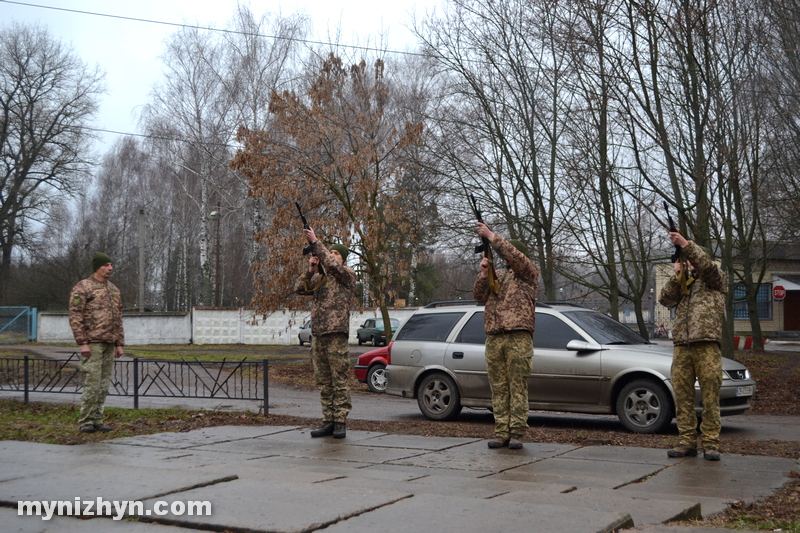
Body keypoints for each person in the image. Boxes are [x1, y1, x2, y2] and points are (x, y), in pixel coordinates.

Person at [659, 232, 727, 461]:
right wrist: (675, 275)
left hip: (706, 344)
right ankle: (686, 441)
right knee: (683, 396)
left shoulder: (715, 279)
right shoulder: (684, 283)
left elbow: (706, 266)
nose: (686, 263)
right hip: (682, 346)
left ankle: (711, 443)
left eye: (688, 259)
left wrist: (686, 245)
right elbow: (666, 300)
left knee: (709, 396)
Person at [473, 222, 539, 449]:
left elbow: (515, 258)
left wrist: (491, 236)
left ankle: (517, 432)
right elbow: (479, 297)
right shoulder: (498, 275)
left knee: (516, 385)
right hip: (495, 337)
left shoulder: (528, 274)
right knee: (499, 387)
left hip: (518, 337)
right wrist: (483, 273)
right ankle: (501, 431)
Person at [295, 227, 357, 439]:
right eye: (329, 252)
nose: (330, 255)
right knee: (323, 380)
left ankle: (340, 421)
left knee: (338, 378)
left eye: (336, 253)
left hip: (336, 334)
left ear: (343, 259)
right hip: (319, 334)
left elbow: (333, 266)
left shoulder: (346, 275)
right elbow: (300, 288)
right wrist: (311, 269)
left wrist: (316, 243)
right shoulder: (322, 278)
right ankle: (328, 420)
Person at [68, 252, 125, 433]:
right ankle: (86, 421)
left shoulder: (114, 290)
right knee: (92, 383)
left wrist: (119, 343)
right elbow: (75, 316)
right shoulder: (83, 287)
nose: (110, 268)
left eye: (111, 265)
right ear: (97, 267)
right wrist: (82, 343)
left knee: (103, 384)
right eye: (106, 265)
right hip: (92, 343)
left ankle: (98, 420)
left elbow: (118, 318)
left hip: (109, 342)